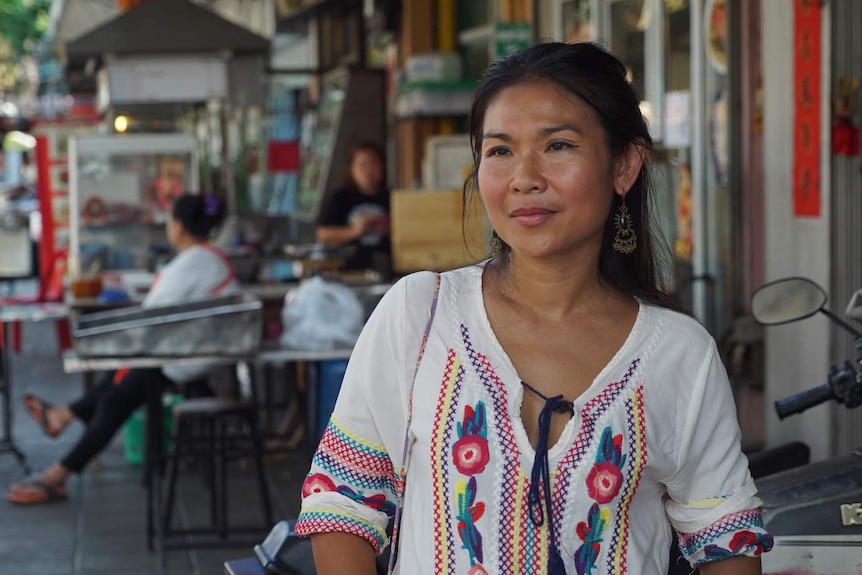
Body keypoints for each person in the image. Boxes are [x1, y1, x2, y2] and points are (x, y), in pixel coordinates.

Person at [293, 42, 773, 574]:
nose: (525, 177)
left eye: (558, 145)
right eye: (499, 150)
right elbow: (342, 502)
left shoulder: (679, 354)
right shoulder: (421, 315)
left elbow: (727, 542)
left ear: (624, 165)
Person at [7, 193, 237, 505]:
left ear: (179, 226)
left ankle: (59, 470)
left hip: (188, 360)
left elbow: (151, 313)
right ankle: (62, 420)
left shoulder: (194, 261)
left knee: (116, 398)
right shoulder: (206, 257)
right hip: (187, 352)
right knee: (115, 383)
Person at [315, 142, 391, 276]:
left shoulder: (392, 198)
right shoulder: (340, 198)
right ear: (351, 169)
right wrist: (354, 231)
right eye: (362, 165)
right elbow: (323, 234)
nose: (368, 170)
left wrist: (388, 228)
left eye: (373, 164)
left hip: (387, 272)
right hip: (348, 272)